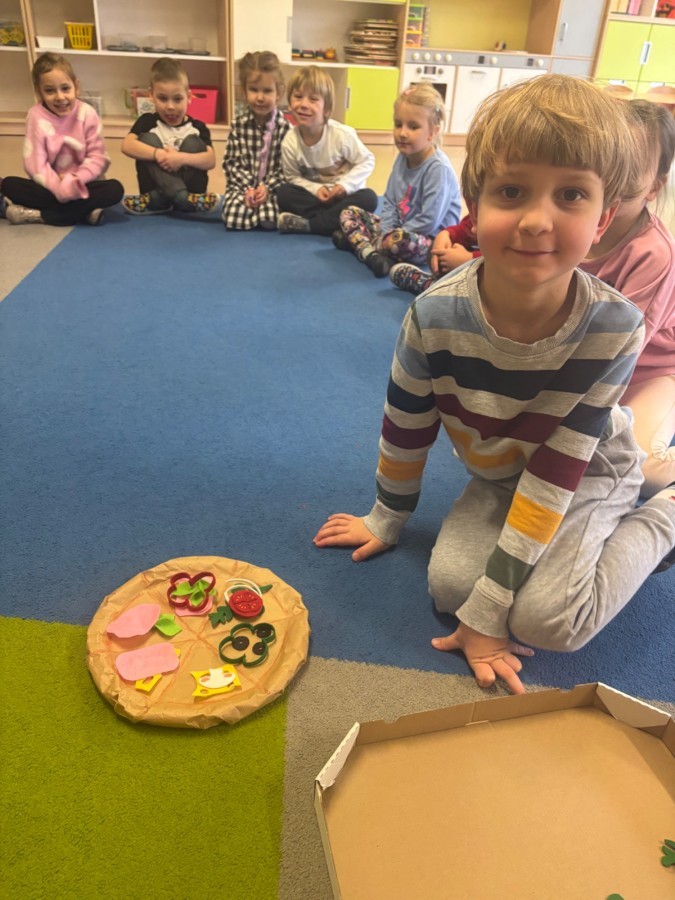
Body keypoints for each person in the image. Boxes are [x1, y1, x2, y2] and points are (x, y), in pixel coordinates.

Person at [313, 75, 675, 695]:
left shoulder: (615, 328)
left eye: (570, 195)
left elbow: (557, 470)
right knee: (450, 587)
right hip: (503, 473)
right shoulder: (433, 314)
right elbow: (406, 425)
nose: (536, 220)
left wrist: (489, 611)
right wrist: (387, 516)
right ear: (474, 207)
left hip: (587, 473)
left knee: (549, 620)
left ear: (603, 218)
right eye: (512, 191)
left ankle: (664, 514)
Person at [580, 99, 675, 497]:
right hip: (585, 360)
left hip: (652, 371)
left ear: (653, 186)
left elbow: (625, 347)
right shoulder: (578, 222)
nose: (614, 178)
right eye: (609, 159)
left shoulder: (653, 252)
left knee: (638, 467)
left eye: (631, 168)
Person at [332, 83, 461, 278]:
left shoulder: (438, 169)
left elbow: (428, 221)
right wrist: (386, 231)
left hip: (428, 241)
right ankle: (373, 252)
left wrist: (389, 236)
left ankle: (363, 246)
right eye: (398, 124)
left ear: (432, 132)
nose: (402, 133)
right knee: (349, 213)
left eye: (413, 126)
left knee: (400, 240)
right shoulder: (403, 157)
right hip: (396, 231)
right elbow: (390, 201)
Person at [1, 53, 123, 226]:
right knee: (9, 185)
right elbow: (35, 164)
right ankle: (84, 212)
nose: (60, 97)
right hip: (51, 185)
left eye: (65, 88)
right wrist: (59, 188)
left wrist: (75, 180)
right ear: (39, 92)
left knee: (114, 189)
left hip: (84, 184)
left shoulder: (87, 113)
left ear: (76, 87)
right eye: (50, 91)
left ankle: (41, 215)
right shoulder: (35, 116)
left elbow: (98, 158)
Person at [276, 66, 378, 236]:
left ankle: (312, 225)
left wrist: (345, 185)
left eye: (313, 99)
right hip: (317, 198)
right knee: (284, 193)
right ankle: (339, 223)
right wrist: (316, 189)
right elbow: (293, 177)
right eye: (298, 97)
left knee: (369, 198)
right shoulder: (290, 141)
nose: (303, 105)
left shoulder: (342, 135)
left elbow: (367, 161)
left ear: (327, 110)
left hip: (344, 198)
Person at [121, 57, 218, 215]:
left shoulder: (198, 127)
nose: (170, 106)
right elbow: (127, 146)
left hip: (187, 190)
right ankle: (182, 198)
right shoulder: (147, 122)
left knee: (193, 143)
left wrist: (181, 159)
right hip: (159, 189)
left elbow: (210, 160)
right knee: (146, 139)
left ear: (189, 97)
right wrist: (158, 154)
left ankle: (168, 199)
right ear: (151, 95)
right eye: (163, 98)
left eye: (178, 99)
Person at [221, 51, 290, 230]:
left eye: (267, 91)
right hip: (242, 188)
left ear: (279, 93)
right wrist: (247, 189)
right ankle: (252, 214)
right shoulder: (238, 125)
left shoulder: (285, 128)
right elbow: (231, 164)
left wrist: (267, 187)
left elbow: (286, 168)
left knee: (271, 217)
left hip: (272, 190)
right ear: (244, 91)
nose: (260, 98)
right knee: (232, 215)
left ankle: (258, 215)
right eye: (254, 90)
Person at [389, 212, 479, 294]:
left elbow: (429, 218)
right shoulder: (478, 209)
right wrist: (445, 234)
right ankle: (441, 288)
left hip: (481, 288)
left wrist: (470, 260)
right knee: (436, 251)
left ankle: (433, 287)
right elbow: (465, 228)